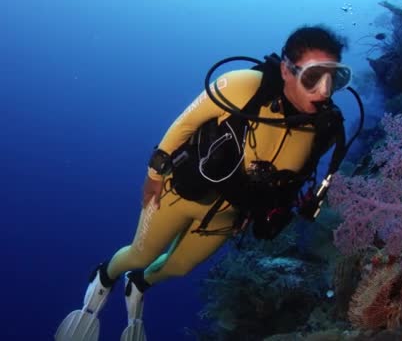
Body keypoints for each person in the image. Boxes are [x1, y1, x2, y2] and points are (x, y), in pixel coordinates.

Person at [55, 25, 358, 341]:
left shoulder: (322, 128)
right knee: (141, 254)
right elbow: (186, 124)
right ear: (285, 69)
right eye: (313, 76)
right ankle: (105, 276)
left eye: (334, 78)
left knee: (180, 266)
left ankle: (139, 283)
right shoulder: (243, 86)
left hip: (227, 218)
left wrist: (266, 212)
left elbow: (294, 183)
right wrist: (154, 174)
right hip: (179, 194)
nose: (324, 90)